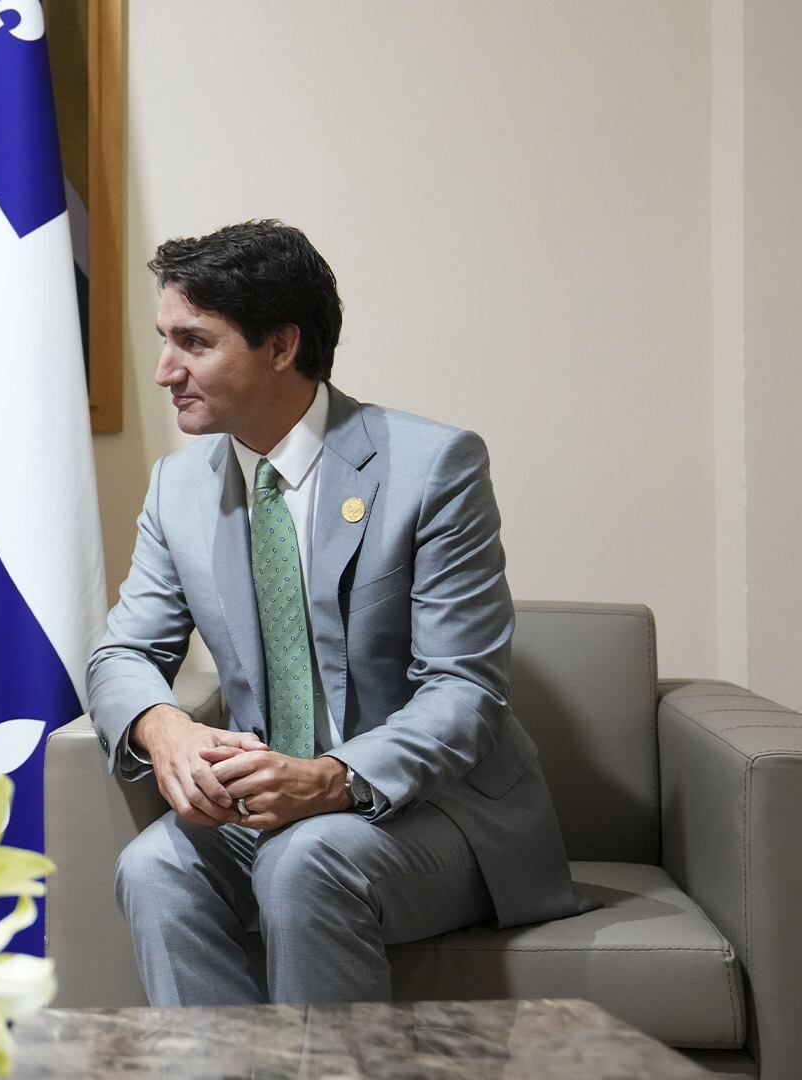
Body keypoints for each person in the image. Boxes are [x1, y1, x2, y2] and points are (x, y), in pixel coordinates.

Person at [88, 221, 591, 1006]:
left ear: (280, 346)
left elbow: (465, 691)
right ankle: (217, 1066)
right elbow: (121, 655)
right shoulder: (177, 490)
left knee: (306, 860)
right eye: (165, 340)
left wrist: (331, 779)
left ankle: (330, 1062)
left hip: (433, 810)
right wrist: (166, 729)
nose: (165, 371)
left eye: (194, 342)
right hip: (265, 807)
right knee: (151, 867)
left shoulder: (433, 467)